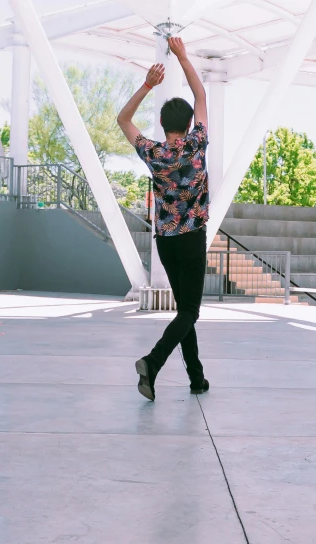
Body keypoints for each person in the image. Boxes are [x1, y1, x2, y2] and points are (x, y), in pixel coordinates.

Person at [117, 36, 210, 402]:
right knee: (189, 310)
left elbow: (122, 119)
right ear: (189, 123)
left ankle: (197, 378)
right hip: (193, 238)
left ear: (160, 122)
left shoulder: (152, 152)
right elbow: (201, 95)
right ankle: (152, 362)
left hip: (166, 241)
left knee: (185, 308)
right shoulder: (197, 143)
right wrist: (184, 57)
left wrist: (147, 84)